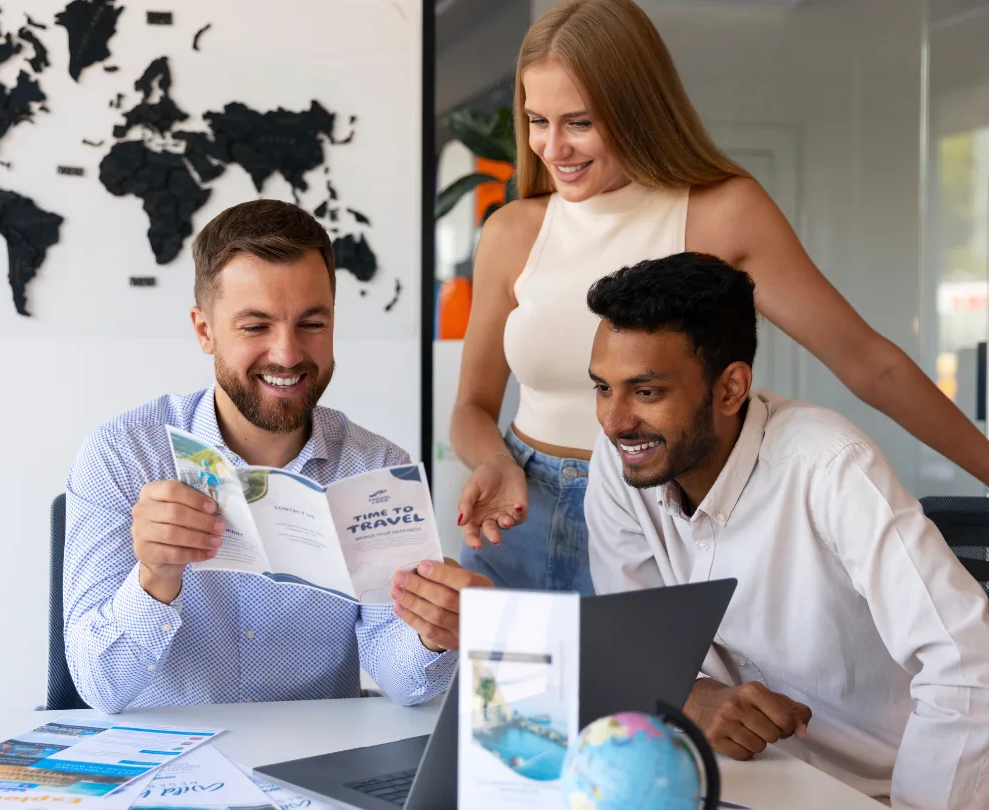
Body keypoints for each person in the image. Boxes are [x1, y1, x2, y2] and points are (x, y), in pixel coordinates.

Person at [450, 0, 989, 594]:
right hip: (519, 515)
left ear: (637, 109)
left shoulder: (725, 214)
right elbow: (472, 406)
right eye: (537, 120)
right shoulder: (510, 232)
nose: (554, 148)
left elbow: (871, 364)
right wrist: (494, 462)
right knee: (501, 692)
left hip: (661, 514)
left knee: (659, 691)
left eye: (579, 122)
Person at [583, 253, 989, 809]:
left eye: (646, 392)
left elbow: (967, 660)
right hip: (722, 782)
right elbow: (637, 639)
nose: (613, 421)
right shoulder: (624, 460)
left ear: (730, 389)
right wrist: (695, 695)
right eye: (603, 388)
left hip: (869, 791)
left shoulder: (829, 466)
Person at [64, 200, 490, 714]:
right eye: (255, 326)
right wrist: (154, 577)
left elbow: (401, 680)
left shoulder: (376, 468)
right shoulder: (122, 455)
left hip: (315, 768)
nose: (287, 354)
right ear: (205, 331)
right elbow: (98, 687)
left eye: (312, 323)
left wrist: (436, 632)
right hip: (169, 765)